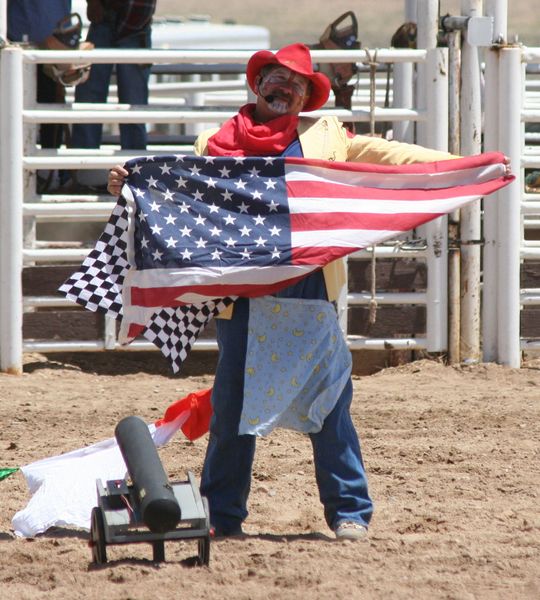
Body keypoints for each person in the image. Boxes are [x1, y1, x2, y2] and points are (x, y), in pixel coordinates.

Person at [107, 43, 456, 541]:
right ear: (257, 85)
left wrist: (455, 168)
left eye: (294, 83)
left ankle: (349, 513)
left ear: (305, 97)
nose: (283, 87)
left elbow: (385, 154)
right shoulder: (216, 142)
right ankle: (222, 516)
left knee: (330, 406)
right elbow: (176, 194)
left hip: (309, 295)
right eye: (274, 78)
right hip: (244, 298)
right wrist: (129, 182)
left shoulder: (326, 135)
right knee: (231, 412)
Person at [71, 0, 156, 150]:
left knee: (129, 103)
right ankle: (87, 164)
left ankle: (85, 164)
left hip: (128, 22)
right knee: (130, 102)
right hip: (127, 21)